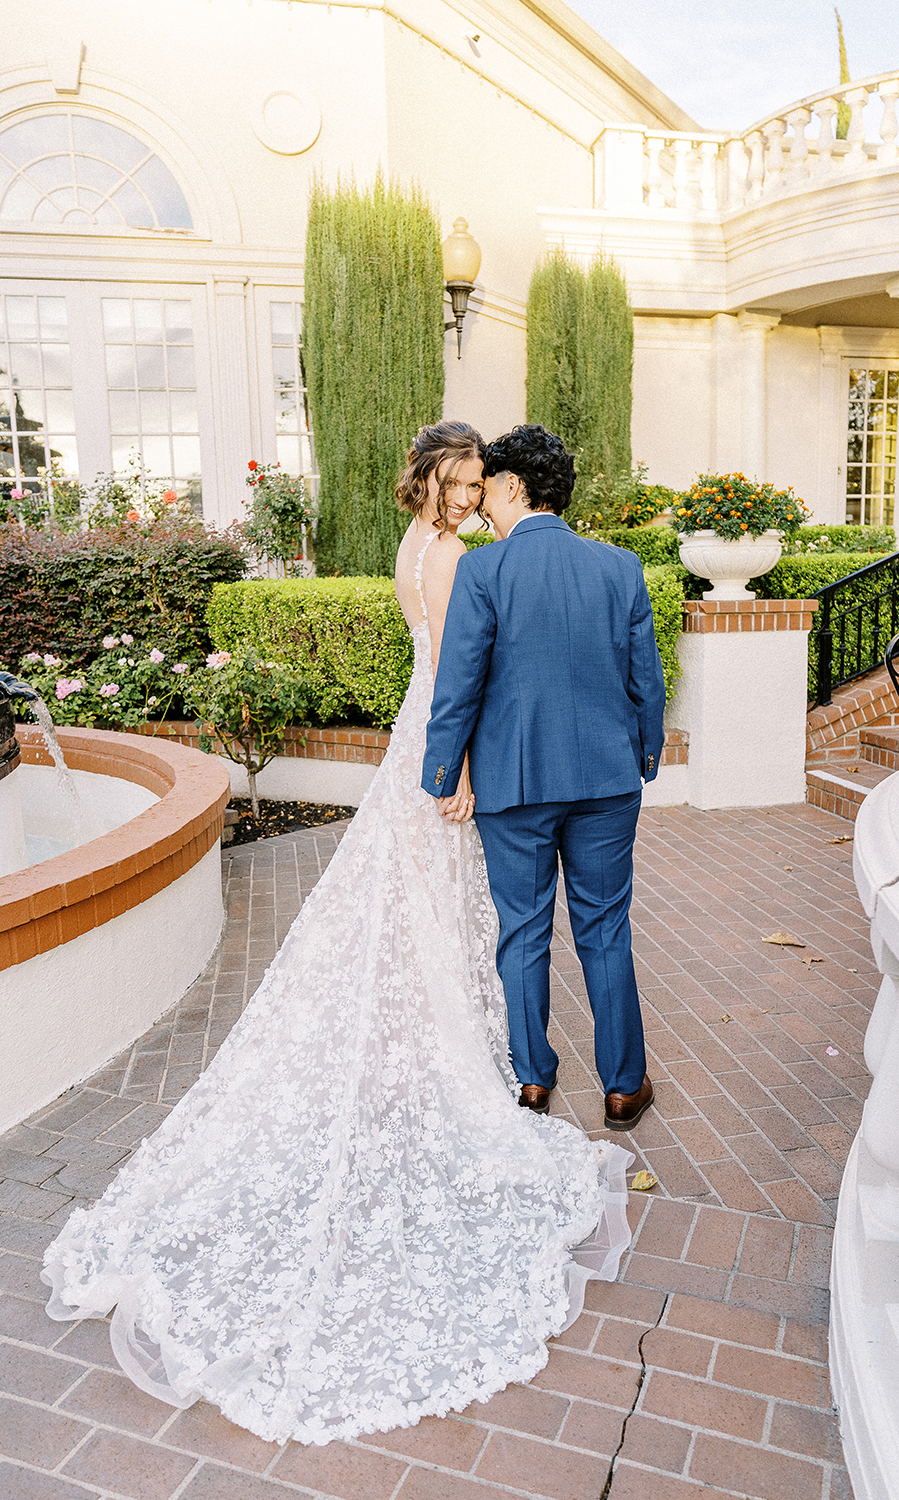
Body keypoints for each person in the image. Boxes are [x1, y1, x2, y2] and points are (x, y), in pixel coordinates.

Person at [40, 420, 632, 1448]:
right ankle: (461, 1056)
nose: (469, 497)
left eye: (476, 483)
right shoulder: (454, 558)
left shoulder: (421, 546)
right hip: (448, 753)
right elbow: (460, 675)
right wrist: (460, 771)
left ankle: (459, 1046)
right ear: (433, 484)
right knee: (462, 910)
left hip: (422, 744)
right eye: (458, 482)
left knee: (438, 909)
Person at [422, 425, 666, 1131]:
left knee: (523, 931)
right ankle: (624, 1087)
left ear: (512, 485)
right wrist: (643, 756)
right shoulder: (620, 567)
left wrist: (443, 773)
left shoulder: (483, 571)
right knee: (605, 927)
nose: (482, 502)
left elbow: (458, 686)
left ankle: (533, 1080)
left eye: (488, 487)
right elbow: (645, 681)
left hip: (514, 784)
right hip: (606, 781)